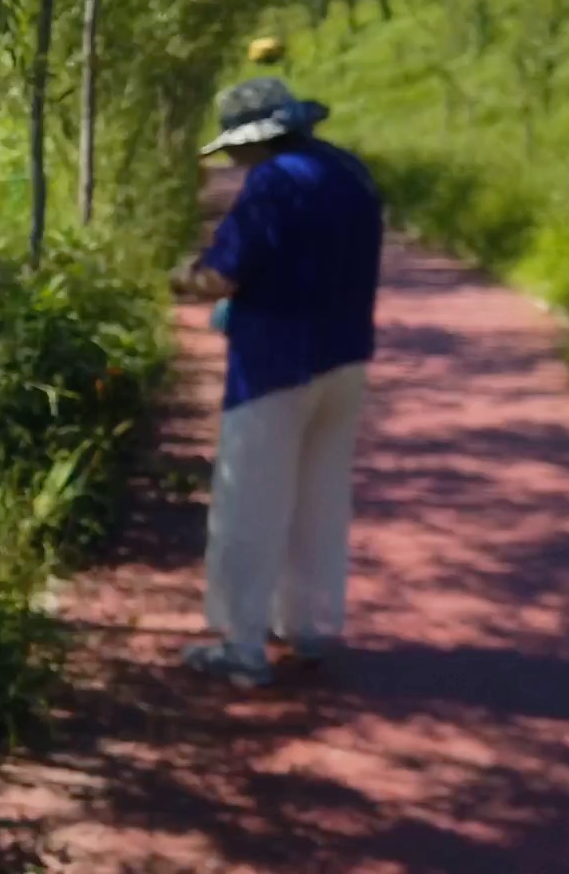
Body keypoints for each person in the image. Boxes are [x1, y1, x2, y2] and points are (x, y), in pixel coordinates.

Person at [169, 77, 384, 688]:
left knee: (251, 503)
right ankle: (308, 624)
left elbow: (223, 277)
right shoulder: (348, 172)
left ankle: (243, 646)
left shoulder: (273, 183)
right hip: (344, 358)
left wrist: (184, 279)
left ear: (257, 139)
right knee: (319, 497)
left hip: (273, 366)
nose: (234, 160)